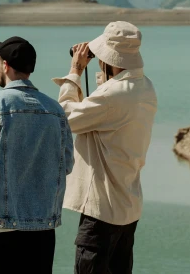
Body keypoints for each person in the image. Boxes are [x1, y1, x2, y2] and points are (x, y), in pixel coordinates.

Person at [53, 21, 157, 274]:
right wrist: (105, 73)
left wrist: (75, 71)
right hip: (128, 208)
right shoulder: (145, 88)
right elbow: (110, 105)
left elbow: (64, 118)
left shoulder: (112, 96)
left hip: (102, 212)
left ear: (109, 57)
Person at [0, 36, 74, 274]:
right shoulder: (56, 111)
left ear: (5, 65)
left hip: (2, 225)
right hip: (43, 227)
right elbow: (66, 164)